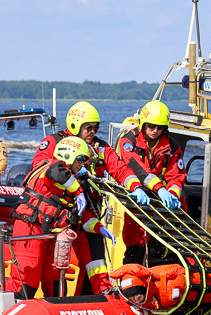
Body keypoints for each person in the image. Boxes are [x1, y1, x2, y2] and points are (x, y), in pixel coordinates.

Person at [33, 101, 144, 294]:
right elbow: (41, 168)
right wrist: (71, 175)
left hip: (87, 214)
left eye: (96, 127)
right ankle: (56, 304)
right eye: (89, 127)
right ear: (75, 125)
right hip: (59, 213)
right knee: (54, 265)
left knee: (96, 261)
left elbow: (120, 169)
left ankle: (94, 300)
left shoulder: (100, 148)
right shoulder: (53, 142)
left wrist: (136, 186)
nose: (93, 132)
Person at [8, 136, 114, 300]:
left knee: (56, 281)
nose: (82, 164)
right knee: (26, 277)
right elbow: (57, 172)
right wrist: (79, 191)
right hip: (30, 231)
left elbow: (82, 215)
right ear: (68, 155)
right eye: (80, 159)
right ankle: (12, 312)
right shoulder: (51, 168)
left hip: (50, 237)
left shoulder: (70, 182)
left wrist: (99, 228)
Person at [115, 100, 186, 265]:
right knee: (135, 247)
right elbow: (138, 169)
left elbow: (176, 175)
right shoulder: (128, 141)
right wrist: (160, 189)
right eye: (151, 126)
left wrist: (173, 195)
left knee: (161, 251)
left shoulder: (172, 146)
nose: (155, 131)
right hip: (137, 198)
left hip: (160, 205)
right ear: (143, 123)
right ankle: (133, 286)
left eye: (159, 127)